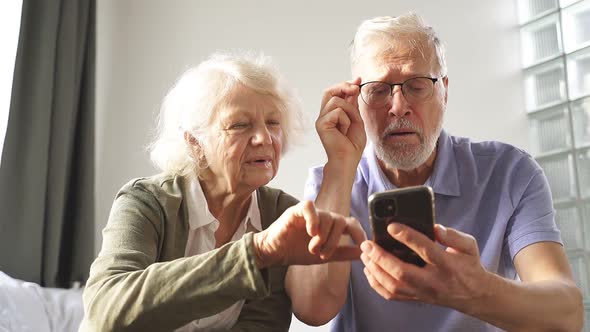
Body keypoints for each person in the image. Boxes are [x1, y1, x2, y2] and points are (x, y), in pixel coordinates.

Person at [291, 13, 584, 331]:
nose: (398, 106)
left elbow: (565, 315)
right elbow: (312, 309)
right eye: (378, 90)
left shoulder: (510, 174)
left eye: (417, 86)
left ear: (444, 91)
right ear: (355, 101)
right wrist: (340, 166)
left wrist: (472, 291)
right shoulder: (331, 182)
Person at [79, 52, 366, 332]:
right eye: (240, 125)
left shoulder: (278, 214)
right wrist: (256, 253)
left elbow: (274, 322)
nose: (264, 138)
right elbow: (107, 311)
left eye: (273, 123)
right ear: (195, 142)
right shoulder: (147, 201)